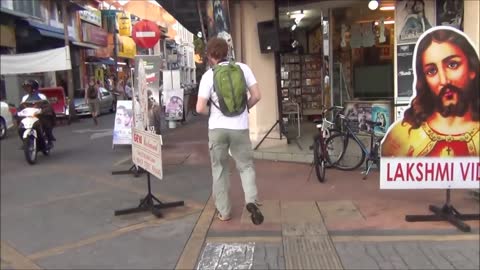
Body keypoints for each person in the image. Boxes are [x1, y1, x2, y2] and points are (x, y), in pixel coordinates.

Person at [382, 27, 479, 157]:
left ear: (472, 69)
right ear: (424, 79)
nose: (444, 80)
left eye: (452, 65)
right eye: (431, 71)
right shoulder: (402, 136)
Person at [196, 37, 263, 224]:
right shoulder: (243, 68)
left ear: (210, 56)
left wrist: (213, 113)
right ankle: (251, 201)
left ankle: (224, 212)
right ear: (227, 51)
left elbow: (199, 108)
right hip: (240, 128)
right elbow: (257, 95)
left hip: (217, 129)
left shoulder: (209, 76)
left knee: (220, 170)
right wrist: (244, 109)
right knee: (246, 166)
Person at [19, 79, 56, 148]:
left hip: (40, 116)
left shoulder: (41, 96)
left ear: (33, 87)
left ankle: (49, 141)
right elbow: (21, 107)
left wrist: (42, 111)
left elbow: (48, 106)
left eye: (28, 87)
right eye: (25, 87)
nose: (26, 89)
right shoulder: (24, 98)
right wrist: (18, 113)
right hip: (28, 116)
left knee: (46, 124)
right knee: (21, 127)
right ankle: (25, 142)